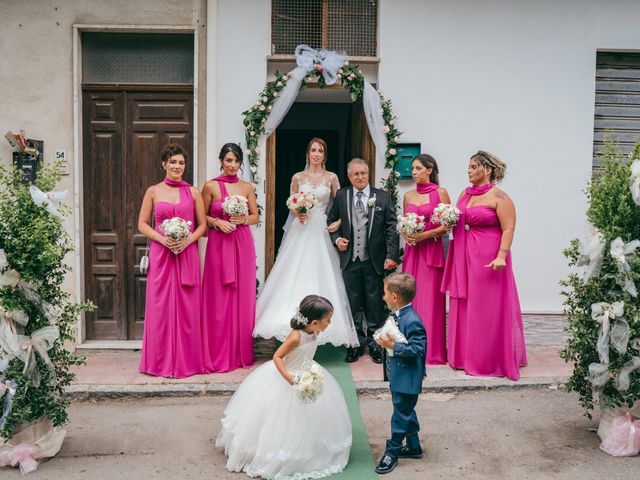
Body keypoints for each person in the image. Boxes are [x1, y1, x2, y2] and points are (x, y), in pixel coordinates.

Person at [216, 295, 352, 480]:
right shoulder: (296, 337)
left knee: (311, 415)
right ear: (314, 322)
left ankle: (309, 445)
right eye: (328, 320)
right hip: (288, 376)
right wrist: (289, 377)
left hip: (306, 371)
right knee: (284, 418)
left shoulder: (315, 331)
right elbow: (277, 357)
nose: (330, 323)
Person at [253, 138, 358, 348]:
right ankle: (287, 323)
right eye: (313, 150)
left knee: (323, 271)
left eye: (320, 150)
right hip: (300, 230)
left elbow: (340, 206)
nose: (316, 154)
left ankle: (325, 323)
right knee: (294, 271)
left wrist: (337, 223)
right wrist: (297, 211)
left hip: (321, 229)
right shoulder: (297, 177)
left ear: (324, 155)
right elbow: (292, 202)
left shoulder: (332, 178)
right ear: (307, 153)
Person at [441, 150, 527, 380]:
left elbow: (508, 228)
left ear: (486, 170)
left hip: (488, 256)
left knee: (484, 306)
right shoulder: (464, 194)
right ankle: (463, 357)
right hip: (462, 254)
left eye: (473, 167)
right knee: (465, 302)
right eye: (468, 167)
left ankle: (487, 359)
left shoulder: (499, 197)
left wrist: (501, 255)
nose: (468, 171)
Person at [138, 144, 207, 378]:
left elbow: (203, 226)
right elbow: (142, 224)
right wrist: (162, 239)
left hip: (186, 253)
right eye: (173, 162)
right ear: (164, 164)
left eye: (181, 163)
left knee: (187, 307)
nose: (177, 166)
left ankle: (187, 362)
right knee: (160, 307)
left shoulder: (194, 192)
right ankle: (159, 363)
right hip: (162, 253)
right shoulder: (153, 191)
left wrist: (187, 242)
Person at [327, 158, 400, 363]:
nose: (360, 177)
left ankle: (376, 344)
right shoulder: (342, 196)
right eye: (355, 174)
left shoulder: (382, 197)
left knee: (375, 303)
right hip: (350, 259)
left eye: (363, 173)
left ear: (368, 175)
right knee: (353, 303)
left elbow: (391, 228)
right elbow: (331, 220)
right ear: (349, 177)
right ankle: (356, 344)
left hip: (374, 260)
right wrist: (337, 239)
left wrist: (391, 256)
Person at [201, 143, 259, 372]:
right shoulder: (210, 186)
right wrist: (217, 221)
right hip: (218, 243)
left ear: (240, 163)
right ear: (221, 161)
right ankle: (216, 353)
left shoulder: (246, 187)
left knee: (241, 297)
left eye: (236, 161)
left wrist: (242, 220)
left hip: (241, 243)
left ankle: (239, 353)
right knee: (218, 297)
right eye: (228, 160)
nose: (232, 165)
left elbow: (254, 216)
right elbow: (201, 216)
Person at [401, 154, 451, 365]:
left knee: (430, 301)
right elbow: (404, 223)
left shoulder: (441, 193)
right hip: (413, 253)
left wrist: (424, 235)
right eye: (412, 168)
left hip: (431, 250)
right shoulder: (408, 196)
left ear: (429, 170)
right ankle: (410, 346)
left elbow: (448, 225)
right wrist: (406, 234)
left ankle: (432, 352)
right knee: (410, 297)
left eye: (418, 168)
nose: (414, 172)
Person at [375, 272, 426, 475]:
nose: (383, 296)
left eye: (385, 292)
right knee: (406, 411)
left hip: (407, 379)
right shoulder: (397, 314)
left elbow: (417, 350)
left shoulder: (412, 320)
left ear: (394, 297)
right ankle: (414, 447)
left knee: (400, 415)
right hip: (399, 377)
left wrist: (393, 346)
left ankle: (392, 452)